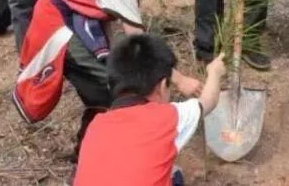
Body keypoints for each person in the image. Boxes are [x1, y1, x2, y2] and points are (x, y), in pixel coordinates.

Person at [13, 0, 203, 163]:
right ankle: (93, 159)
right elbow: (140, 44)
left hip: (75, 20)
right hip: (58, 27)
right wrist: (180, 79)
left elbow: (104, 15)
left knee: (110, 88)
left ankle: (87, 151)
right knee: (112, 92)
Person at [74, 33, 226, 186]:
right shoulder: (166, 118)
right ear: (161, 86)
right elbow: (209, 100)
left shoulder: (95, 126)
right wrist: (214, 72)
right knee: (175, 173)